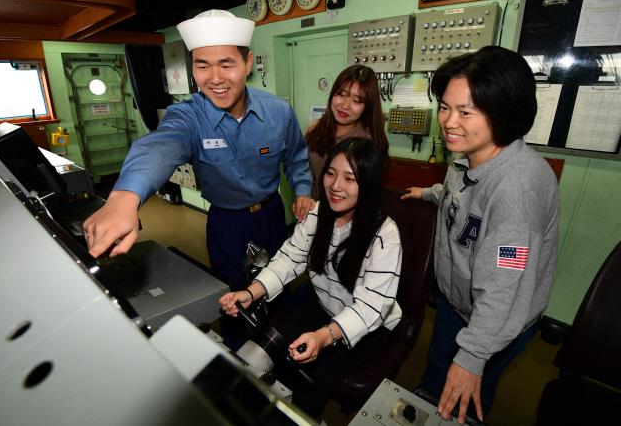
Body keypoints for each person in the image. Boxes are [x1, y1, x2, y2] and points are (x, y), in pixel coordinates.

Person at [82, 10, 314, 291]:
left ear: (248, 63)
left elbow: (296, 157)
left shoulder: (279, 111)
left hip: (271, 215)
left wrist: (302, 189)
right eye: (202, 66)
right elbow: (160, 145)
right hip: (226, 222)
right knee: (232, 291)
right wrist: (124, 197)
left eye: (226, 64)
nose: (215, 78)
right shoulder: (187, 116)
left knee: (279, 281)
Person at [401, 46, 560, 424]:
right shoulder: (467, 155)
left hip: (495, 318)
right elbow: (460, 195)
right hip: (458, 305)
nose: (448, 122)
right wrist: (426, 193)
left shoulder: (517, 192)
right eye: (444, 107)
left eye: (465, 112)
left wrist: (473, 356)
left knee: (466, 396)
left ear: (503, 112)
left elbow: (506, 287)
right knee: (437, 372)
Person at [219, 137, 402, 419]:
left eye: (350, 178)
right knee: (268, 344)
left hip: (368, 324)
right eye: (331, 173)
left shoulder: (385, 236)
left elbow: (370, 308)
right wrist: (251, 292)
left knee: (313, 377)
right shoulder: (319, 213)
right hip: (325, 301)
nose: (335, 186)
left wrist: (325, 336)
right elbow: (290, 258)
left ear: (368, 185)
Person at [305, 65, 389, 198]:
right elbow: (304, 172)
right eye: (341, 94)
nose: (345, 106)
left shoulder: (367, 143)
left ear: (367, 107)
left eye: (356, 101)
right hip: (312, 211)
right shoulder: (315, 129)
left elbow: (367, 195)